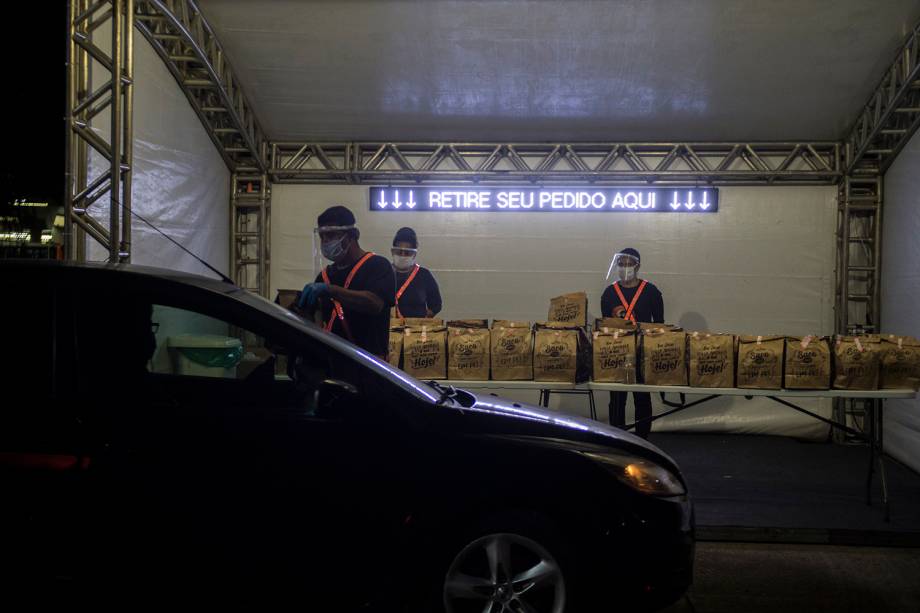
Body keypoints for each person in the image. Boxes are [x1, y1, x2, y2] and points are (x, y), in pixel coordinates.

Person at [298, 206, 395, 359]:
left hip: (370, 366)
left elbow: (374, 303)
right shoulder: (324, 276)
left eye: (331, 235)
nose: (325, 242)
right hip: (333, 364)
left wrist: (332, 290)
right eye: (322, 236)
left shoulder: (377, 266)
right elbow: (318, 321)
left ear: (351, 236)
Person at [600, 248, 664, 439]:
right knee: (617, 398)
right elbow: (606, 325)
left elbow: (659, 324)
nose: (624, 267)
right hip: (617, 352)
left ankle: (642, 439)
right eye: (621, 263)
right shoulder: (609, 292)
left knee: (642, 396)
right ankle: (617, 438)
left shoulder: (651, 291)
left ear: (638, 266)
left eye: (629, 263)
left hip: (642, 350)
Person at [390, 227, 442, 319]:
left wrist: (421, 322)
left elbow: (436, 305)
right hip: (388, 328)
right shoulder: (384, 272)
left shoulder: (424, 275)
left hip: (415, 330)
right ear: (393, 252)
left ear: (414, 254)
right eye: (399, 252)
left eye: (407, 253)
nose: (402, 256)